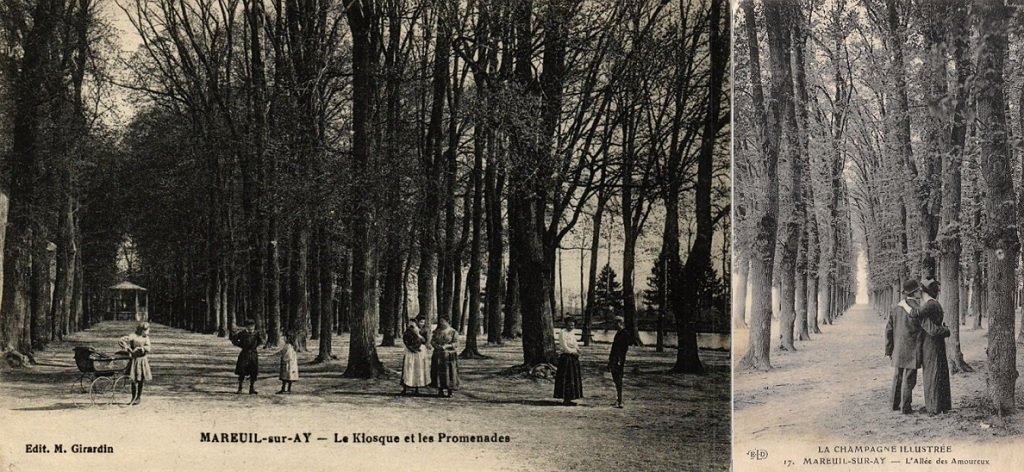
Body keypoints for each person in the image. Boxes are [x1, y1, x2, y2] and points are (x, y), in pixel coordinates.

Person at [885, 279, 923, 414]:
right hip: (913, 348)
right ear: (914, 292)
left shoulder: (895, 308)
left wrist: (889, 349)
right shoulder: (918, 309)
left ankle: (894, 404)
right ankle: (905, 407)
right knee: (909, 379)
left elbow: (888, 330)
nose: (921, 292)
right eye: (919, 290)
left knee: (897, 376)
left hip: (898, 348)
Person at [919, 278, 952, 415]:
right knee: (939, 372)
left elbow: (931, 329)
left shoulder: (930, 305)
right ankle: (942, 405)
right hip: (936, 343)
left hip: (931, 343)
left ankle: (933, 407)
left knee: (932, 374)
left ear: (924, 292)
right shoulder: (935, 303)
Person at [118, 322, 152, 405]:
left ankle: (138, 397)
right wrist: (127, 347)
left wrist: (143, 348)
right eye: (147, 330)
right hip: (134, 360)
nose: (148, 332)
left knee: (141, 379)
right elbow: (122, 340)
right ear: (142, 330)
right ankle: (133, 397)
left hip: (142, 360)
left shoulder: (146, 338)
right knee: (133, 379)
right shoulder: (133, 336)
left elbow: (149, 347)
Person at [554, 318, 583, 406]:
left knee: (573, 378)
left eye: (573, 325)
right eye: (570, 325)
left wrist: (578, 350)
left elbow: (575, 343)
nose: (571, 327)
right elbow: (564, 345)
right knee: (566, 378)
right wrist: (572, 352)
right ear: (566, 324)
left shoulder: (572, 333)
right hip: (566, 357)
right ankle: (565, 398)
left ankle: (571, 397)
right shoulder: (563, 332)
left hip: (573, 357)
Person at [230, 319, 263, 394]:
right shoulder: (242, 333)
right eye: (249, 326)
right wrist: (241, 345)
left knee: (253, 371)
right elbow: (234, 340)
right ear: (246, 326)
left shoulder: (256, 333)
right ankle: (240, 388)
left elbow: (261, 341)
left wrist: (255, 346)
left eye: (252, 326)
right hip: (244, 354)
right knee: (242, 371)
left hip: (253, 354)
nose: (251, 328)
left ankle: (252, 388)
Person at [430, 317, 460, 397]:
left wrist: (447, 346)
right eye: (440, 321)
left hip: (449, 355)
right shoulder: (437, 331)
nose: (441, 323)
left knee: (449, 372)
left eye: (443, 321)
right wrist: (436, 346)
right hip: (438, 354)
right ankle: (440, 390)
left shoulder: (453, 332)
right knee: (438, 372)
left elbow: (456, 343)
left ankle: (450, 390)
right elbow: (432, 341)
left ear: (448, 322)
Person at [401, 316, 431, 395]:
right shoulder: (410, 330)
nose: (422, 324)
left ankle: (417, 387)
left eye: (423, 322)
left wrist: (418, 335)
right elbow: (405, 339)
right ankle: (405, 387)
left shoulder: (424, 331)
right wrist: (411, 347)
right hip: (411, 350)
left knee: (418, 369)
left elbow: (425, 341)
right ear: (417, 322)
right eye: (421, 322)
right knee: (409, 367)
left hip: (420, 351)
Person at [608, 316, 632, 408]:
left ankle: (620, 401)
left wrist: (619, 359)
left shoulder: (625, 333)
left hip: (619, 359)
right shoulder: (618, 333)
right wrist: (610, 361)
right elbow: (614, 348)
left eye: (615, 323)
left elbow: (624, 349)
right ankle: (618, 399)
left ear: (620, 323)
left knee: (618, 379)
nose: (614, 325)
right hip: (614, 359)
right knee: (615, 379)